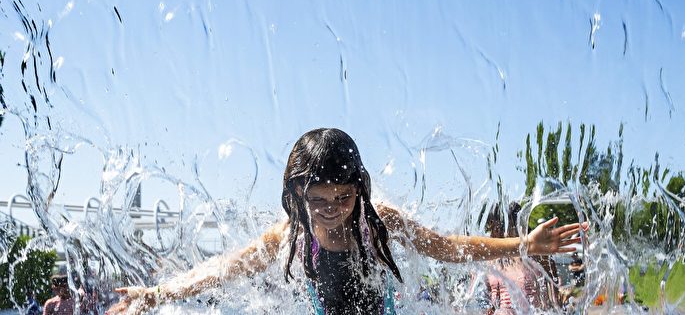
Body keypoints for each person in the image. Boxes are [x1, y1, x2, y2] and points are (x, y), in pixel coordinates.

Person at [107, 128, 587, 315]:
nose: (333, 209)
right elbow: (225, 268)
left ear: (360, 189)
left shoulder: (379, 224)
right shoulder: (290, 236)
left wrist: (524, 245)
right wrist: (157, 293)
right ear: (297, 193)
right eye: (320, 199)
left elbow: (448, 247)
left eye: (344, 196)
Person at [485, 202, 565, 314]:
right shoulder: (493, 257)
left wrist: (556, 305)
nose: (493, 231)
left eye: (497, 226)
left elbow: (553, 282)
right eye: (492, 227)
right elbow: (491, 295)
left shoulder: (534, 252)